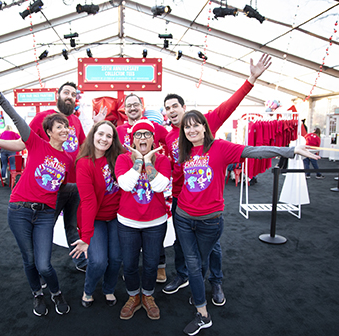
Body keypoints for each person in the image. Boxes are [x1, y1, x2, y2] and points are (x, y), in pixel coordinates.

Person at [176, 110, 320, 335]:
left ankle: (201, 298)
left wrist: (290, 151)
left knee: (199, 263)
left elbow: (255, 151)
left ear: (205, 126)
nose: (192, 130)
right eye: (187, 127)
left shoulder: (220, 147)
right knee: (193, 264)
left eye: (196, 125)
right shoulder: (183, 151)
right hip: (183, 217)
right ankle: (202, 311)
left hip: (210, 221)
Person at [161, 53, 272, 304]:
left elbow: (229, 105)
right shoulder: (168, 137)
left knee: (212, 246)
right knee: (182, 242)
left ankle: (216, 282)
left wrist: (251, 80)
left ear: (184, 108)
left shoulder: (203, 123)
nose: (171, 112)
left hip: (208, 202)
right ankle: (183, 276)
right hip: (181, 199)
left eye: (174, 107)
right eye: (167, 109)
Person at [0, 74, 73, 317]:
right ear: (48, 131)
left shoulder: (68, 160)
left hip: (46, 214)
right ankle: (37, 293)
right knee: (28, 260)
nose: (64, 129)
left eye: (66, 126)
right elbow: (15, 117)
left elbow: (61, 188)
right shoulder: (37, 144)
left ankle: (56, 291)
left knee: (44, 264)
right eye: (59, 126)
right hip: (19, 210)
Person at [0, 80, 88, 272]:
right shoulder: (44, 117)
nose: (70, 97)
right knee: (45, 226)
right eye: (66, 92)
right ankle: (40, 266)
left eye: (73, 94)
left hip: (73, 185)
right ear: (57, 96)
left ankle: (81, 263)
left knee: (72, 225)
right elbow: (23, 142)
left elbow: (82, 148)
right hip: (51, 188)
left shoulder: (75, 122)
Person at [115, 119, 171, 320]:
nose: (143, 137)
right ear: (132, 139)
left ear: (154, 139)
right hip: (128, 223)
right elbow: (126, 185)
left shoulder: (163, 161)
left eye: (147, 134)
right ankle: (133, 297)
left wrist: (148, 161)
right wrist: (138, 161)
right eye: (138, 134)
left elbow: (159, 186)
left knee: (151, 264)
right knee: (129, 264)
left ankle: (147, 295)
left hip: (155, 223)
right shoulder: (123, 159)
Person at [69, 120, 125, 308]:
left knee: (116, 258)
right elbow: (88, 202)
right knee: (99, 260)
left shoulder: (120, 157)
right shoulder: (84, 163)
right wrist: (86, 236)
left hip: (118, 217)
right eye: (100, 134)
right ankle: (89, 290)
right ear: (93, 135)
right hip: (96, 219)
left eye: (109, 136)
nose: (104, 139)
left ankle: (109, 289)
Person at [117, 93, 169, 283]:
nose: (132, 108)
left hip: (153, 199)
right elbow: (126, 182)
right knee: (129, 260)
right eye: (128, 105)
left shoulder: (154, 126)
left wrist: (153, 162)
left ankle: (158, 270)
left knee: (152, 255)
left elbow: (170, 140)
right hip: (128, 180)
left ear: (142, 106)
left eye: (136, 104)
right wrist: (137, 161)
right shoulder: (119, 130)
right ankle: (133, 292)